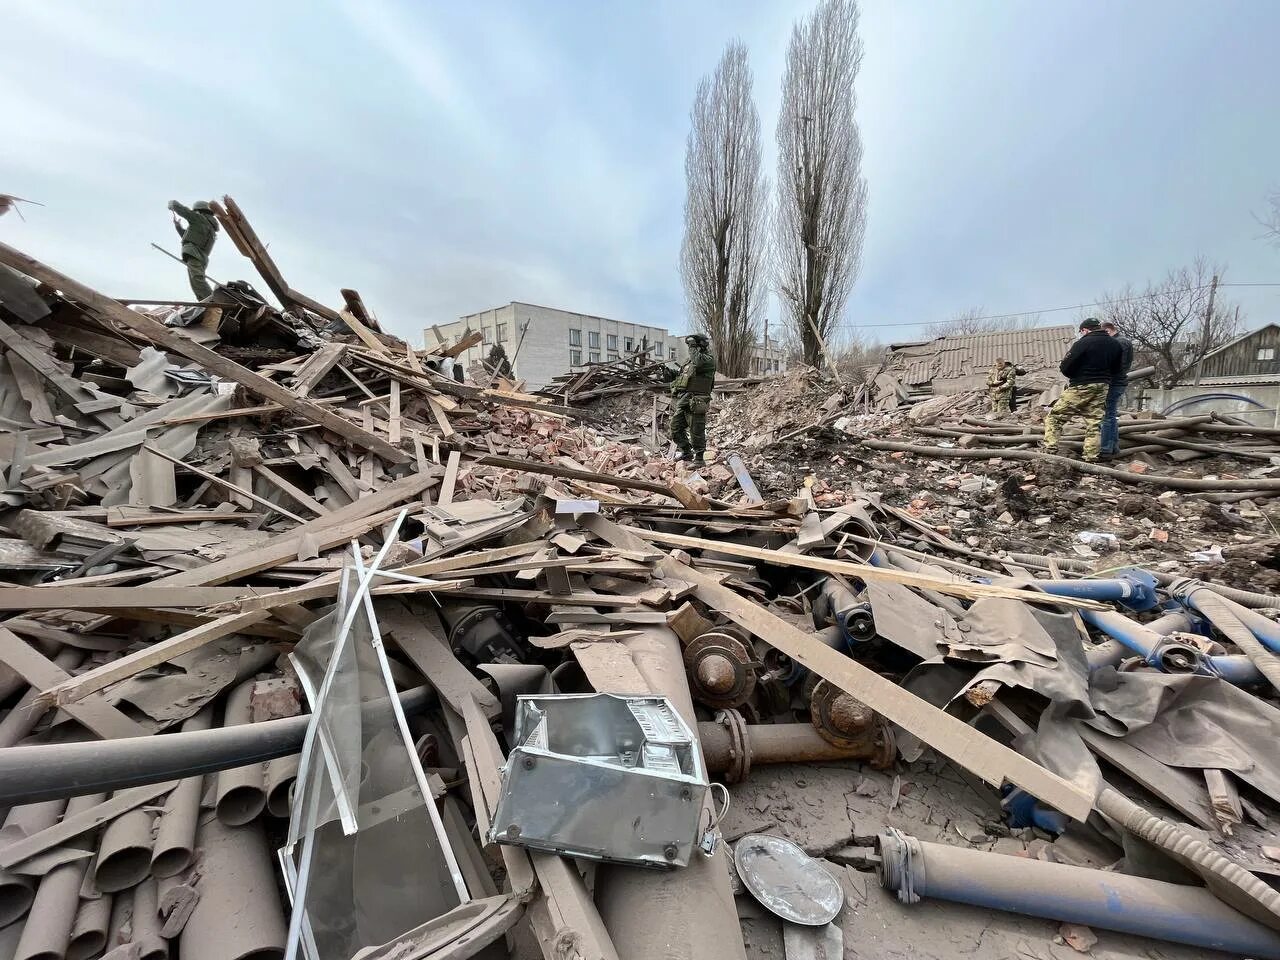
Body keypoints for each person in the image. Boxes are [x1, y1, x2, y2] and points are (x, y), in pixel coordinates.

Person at [1042, 318, 1124, 463]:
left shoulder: (1083, 343)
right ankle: (1090, 457)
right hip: (1102, 386)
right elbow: (1117, 369)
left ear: (1085, 330)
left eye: (1081, 332)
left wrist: (1076, 376)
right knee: (1094, 422)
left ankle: (1050, 450)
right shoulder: (1115, 344)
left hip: (1081, 386)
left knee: (1055, 417)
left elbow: (1066, 366)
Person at [669, 332, 717, 463]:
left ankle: (700, 459)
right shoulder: (690, 360)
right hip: (685, 398)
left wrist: (692, 347)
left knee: (696, 430)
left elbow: (698, 362)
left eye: (692, 345)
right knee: (675, 427)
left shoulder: (708, 359)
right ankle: (686, 452)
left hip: (697, 400)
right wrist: (670, 374)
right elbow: (683, 376)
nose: (690, 347)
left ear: (699, 345)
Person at [167, 200, 219, 300]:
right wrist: (178, 227)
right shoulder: (209, 226)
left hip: (194, 253)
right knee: (196, 282)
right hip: (201, 256)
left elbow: (185, 211)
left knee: (197, 280)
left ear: (199, 211)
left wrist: (173, 204)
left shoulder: (199, 219)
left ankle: (213, 303)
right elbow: (193, 238)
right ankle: (206, 303)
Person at [1099, 321, 1134, 457]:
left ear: (1108, 330)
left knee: (1107, 416)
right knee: (1111, 415)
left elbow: (1118, 365)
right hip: (1118, 382)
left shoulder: (1119, 343)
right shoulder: (1123, 341)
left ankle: (1106, 449)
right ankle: (1113, 447)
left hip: (1114, 383)